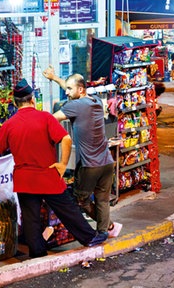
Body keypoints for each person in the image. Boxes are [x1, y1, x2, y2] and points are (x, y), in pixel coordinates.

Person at [0, 78, 98, 258]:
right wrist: (63, 164)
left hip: (25, 179)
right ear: (32, 100)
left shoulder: (10, 124)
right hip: (47, 175)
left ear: (15, 103)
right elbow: (66, 139)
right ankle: (89, 237)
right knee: (67, 210)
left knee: (30, 219)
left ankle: (37, 252)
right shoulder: (45, 117)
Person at [42, 68, 122, 246]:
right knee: (102, 199)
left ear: (80, 90)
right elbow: (72, 85)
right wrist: (55, 78)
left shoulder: (74, 106)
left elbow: (51, 120)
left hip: (90, 166)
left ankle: (106, 226)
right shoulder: (94, 100)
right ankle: (104, 230)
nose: (67, 92)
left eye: (69, 90)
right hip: (107, 162)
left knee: (81, 199)